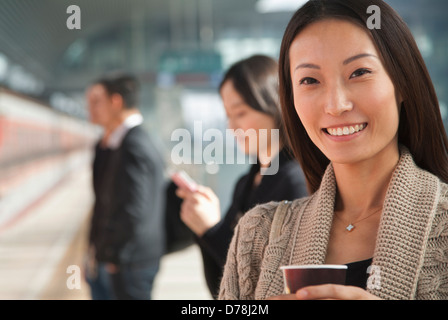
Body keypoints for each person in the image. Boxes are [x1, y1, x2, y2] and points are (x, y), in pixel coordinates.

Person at [219, 0, 448, 300]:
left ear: (402, 82)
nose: (336, 105)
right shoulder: (258, 235)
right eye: (310, 80)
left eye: (359, 72)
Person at [176, 55, 308, 299]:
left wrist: (212, 229)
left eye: (241, 113)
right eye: (228, 115)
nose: (231, 127)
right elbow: (222, 283)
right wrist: (204, 227)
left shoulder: (296, 180)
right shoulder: (246, 182)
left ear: (274, 106)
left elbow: (271, 280)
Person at [85, 74, 166, 300]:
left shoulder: (133, 145)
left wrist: (113, 256)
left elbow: (134, 210)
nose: (89, 109)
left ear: (116, 102)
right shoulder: (119, 143)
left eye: (96, 102)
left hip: (129, 262)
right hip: (124, 259)